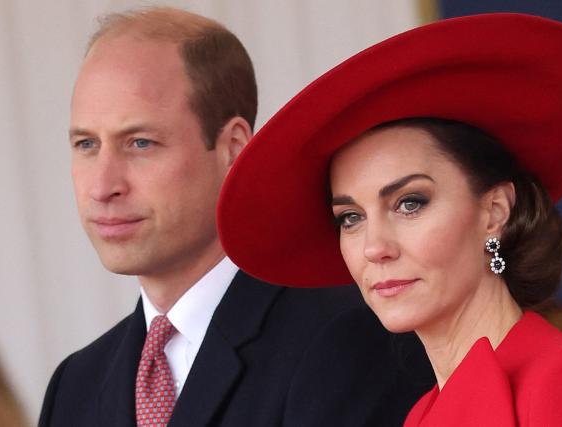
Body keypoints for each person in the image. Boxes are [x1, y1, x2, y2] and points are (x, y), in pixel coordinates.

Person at [217, 13, 562, 426]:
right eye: (350, 218)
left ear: (494, 212)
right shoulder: (423, 413)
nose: (375, 247)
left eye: (410, 203)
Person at [38, 7, 435, 427]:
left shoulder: (344, 338)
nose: (102, 186)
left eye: (140, 143)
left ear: (233, 147)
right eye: (86, 144)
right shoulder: (73, 386)